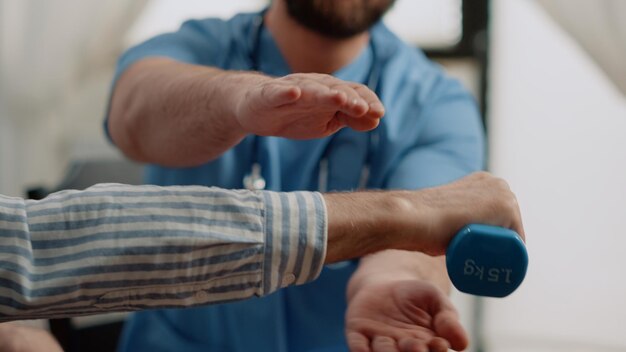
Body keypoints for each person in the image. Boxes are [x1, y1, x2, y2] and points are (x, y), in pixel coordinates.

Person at [106, 0, 492, 351]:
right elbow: (131, 115)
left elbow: (419, 238)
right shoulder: (197, 47)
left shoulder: (438, 104)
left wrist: (392, 280)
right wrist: (238, 99)